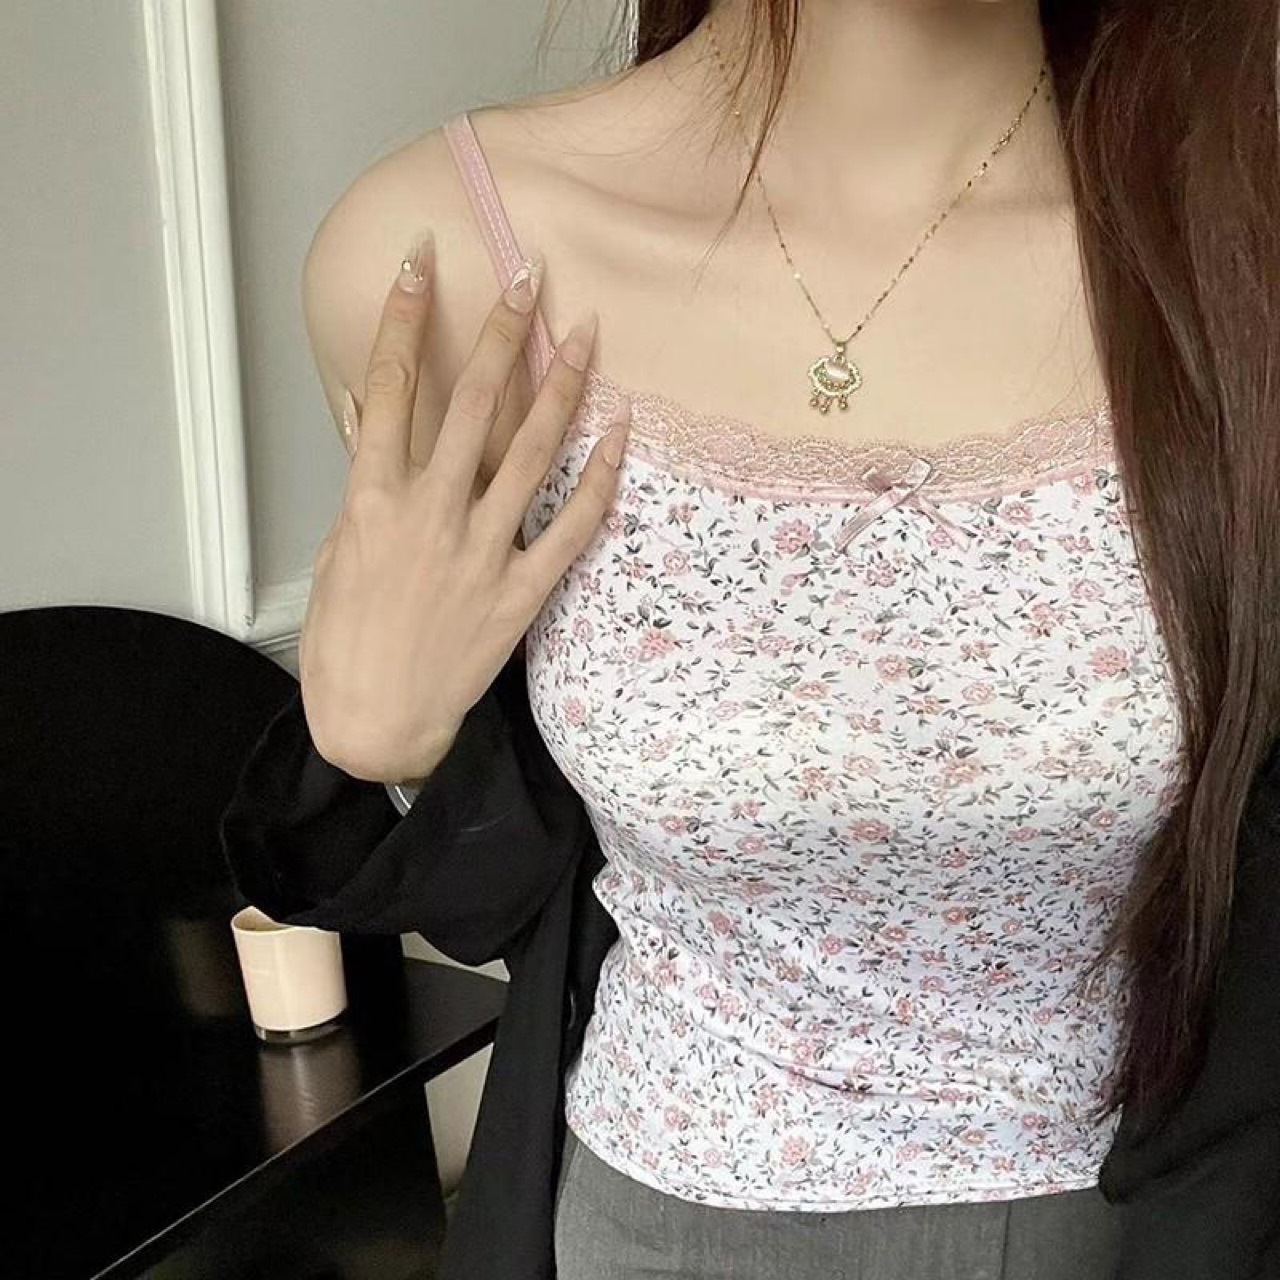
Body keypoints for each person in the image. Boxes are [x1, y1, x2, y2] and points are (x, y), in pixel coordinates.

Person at [231, 2, 1280, 1277]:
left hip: (1150, 1224)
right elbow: (515, 889)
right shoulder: (455, 253)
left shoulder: (1236, 242)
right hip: (667, 1218)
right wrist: (403, 758)